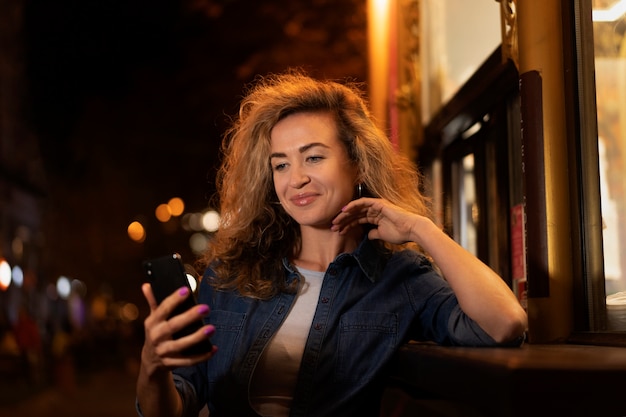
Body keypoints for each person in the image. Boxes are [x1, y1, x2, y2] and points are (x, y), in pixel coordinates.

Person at [135, 70, 528, 417]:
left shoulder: (402, 279)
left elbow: (504, 323)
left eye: (314, 158)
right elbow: (173, 407)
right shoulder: (231, 275)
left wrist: (422, 229)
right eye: (281, 165)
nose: (296, 179)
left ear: (356, 162)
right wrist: (152, 367)